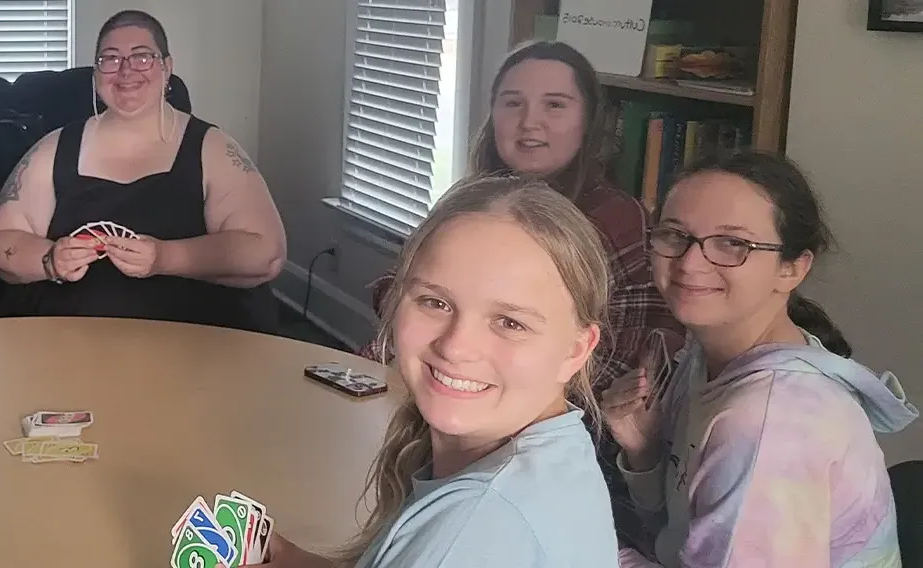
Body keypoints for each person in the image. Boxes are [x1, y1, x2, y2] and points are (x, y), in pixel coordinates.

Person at [357, 40, 684, 548]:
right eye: (512, 102)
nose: (530, 122)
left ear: (589, 122)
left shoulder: (613, 218)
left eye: (555, 104)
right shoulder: (472, 202)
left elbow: (610, 369)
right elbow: (393, 291)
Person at [253, 175, 619, 567]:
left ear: (576, 350)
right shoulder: (554, 455)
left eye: (510, 323)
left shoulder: (478, 524)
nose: (456, 346)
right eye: (435, 302)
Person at [604, 151, 917, 567]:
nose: (690, 263)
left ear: (791, 269)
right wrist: (646, 453)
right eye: (675, 235)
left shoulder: (769, 424)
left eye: (733, 244)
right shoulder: (706, 354)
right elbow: (681, 526)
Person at [0, 10, 286, 334]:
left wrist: (166, 258)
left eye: (142, 57)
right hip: (69, 346)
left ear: (167, 67)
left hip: (191, 350)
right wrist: (50, 259)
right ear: (96, 74)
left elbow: (266, 253)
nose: (125, 71)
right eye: (110, 59)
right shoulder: (53, 149)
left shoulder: (214, 149)